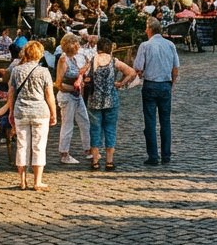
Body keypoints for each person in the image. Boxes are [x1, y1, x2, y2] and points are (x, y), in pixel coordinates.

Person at [5, 41, 57, 191]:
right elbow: (49, 95)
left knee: (22, 145)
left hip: (21, 111)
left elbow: (11, 94)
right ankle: (37, 181)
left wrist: (10, 112)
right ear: (40, 54)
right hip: (40, 111)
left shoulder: (16, 70)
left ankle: (22, 181)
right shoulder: (44, 72)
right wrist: (54, 113)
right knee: (39, 146)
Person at [79, 38, 137, 171]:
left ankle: (95, 161)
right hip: (111, 100)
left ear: (98, 48)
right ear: (110, 48)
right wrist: (121, 83)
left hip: (94, 100)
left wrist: (86, 80)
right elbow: (131, 72)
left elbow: (80, 72)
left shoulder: (92, 61)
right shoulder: (114, 61)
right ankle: (109, 161)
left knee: (95, 130)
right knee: (110, 129)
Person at [133, 17, 179, 166]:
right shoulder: (170, 45)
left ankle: (153, 156)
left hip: (151, 85)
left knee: (150, 122)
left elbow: (138, 67)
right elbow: (175, 68)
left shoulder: (145, 46)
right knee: (165, 122)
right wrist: (172, 84)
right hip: (165, 84)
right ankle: (166, 155)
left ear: (150, 30)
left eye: (146, 28)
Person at [53, 33, 91, 165]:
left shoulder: (74, 58)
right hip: (67, 96)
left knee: (84, 121)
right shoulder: (63, 60)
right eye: (76, 44)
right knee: (67, 124)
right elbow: (58, 83)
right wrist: (73, 88)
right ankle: (64, 153)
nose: (79, 46)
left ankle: (88, 149)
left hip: (76, 95)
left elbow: (78, 73)